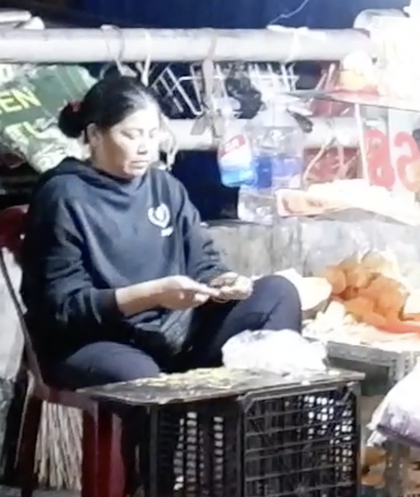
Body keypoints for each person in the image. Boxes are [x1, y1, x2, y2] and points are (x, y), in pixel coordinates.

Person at [19, 73, 304, 393]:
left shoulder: (165, 187)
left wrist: (222, 281)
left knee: (277, 293)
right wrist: (152, 295)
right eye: (131, 135)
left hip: (175, 336)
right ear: (95, 135)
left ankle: (251, 434)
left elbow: (203, 261)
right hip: (96, 342)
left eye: (153, 134)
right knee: (145, 381)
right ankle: (170, 441)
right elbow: (63, 308)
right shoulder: (64, 195)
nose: (145, 148)